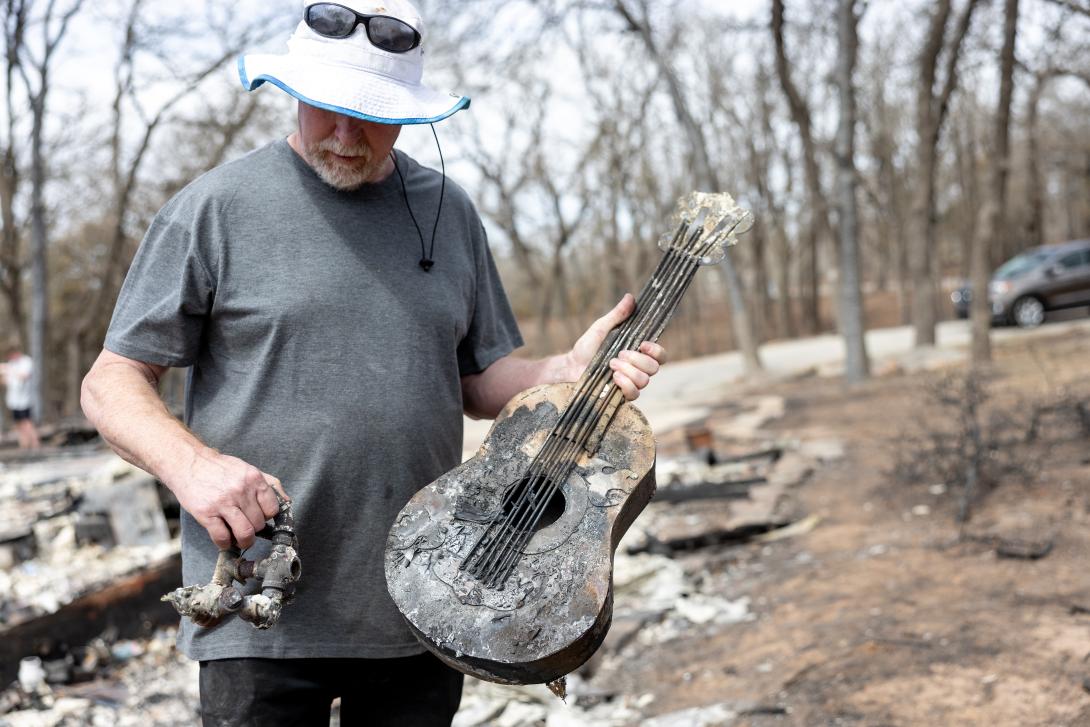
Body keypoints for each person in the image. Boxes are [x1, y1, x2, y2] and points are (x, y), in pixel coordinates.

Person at [80, 1, 666, 725]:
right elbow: (110, 384)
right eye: (326, 108)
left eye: (374, 114)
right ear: (293, 90)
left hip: (428, 595)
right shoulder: (213, 209)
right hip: (259, 613)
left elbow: (480, 383)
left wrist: (566, 370)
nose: (347, 135)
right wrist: (192, 467)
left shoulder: (447, 212)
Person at [2, 340, 39, 450]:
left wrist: (9, 370)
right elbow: (6, 382)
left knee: (27, 423)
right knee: (18, 424)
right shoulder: (11, 364)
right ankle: (24, 446)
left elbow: (25, 376)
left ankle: (35, 445)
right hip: (14, 401)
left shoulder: (26, 361)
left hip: (25, 399)